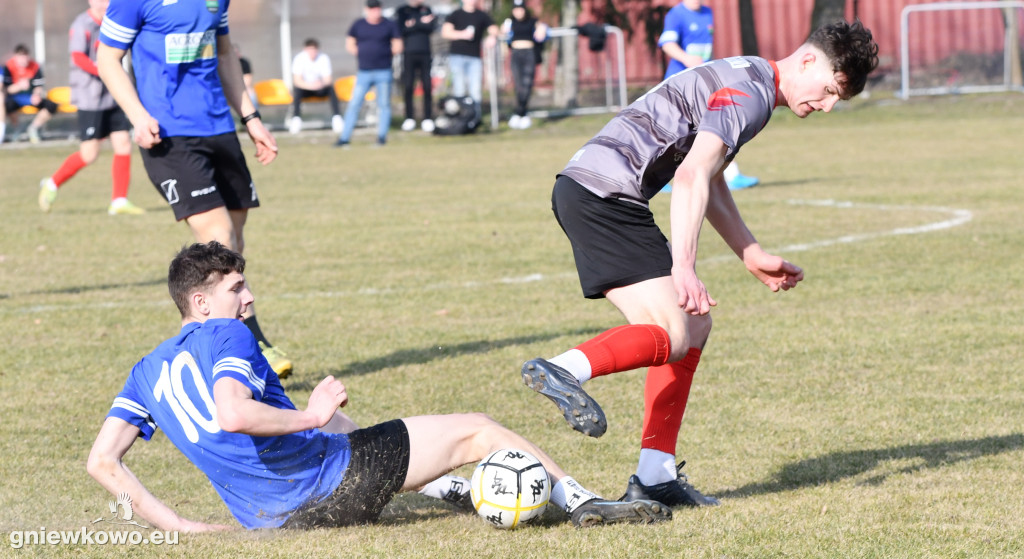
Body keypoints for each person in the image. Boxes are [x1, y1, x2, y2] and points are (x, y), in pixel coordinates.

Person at [521, 20, 878, 508]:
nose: (828, 105)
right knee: (673, 330)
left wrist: (749, 252)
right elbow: (690, 176)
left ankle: (656, 474)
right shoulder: (751, 93)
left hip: (590, 190)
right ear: (809, 60)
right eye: (831, 91)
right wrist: (683, 267)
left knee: (694, 324)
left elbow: (707, 173)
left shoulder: (751, 76)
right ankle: (565, 370)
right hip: (605, 195)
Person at [86, 241, 673, 530]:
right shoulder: (228, 336)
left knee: (355, 431)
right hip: (327, 491)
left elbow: (102, 462)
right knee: (477, 429)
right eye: (236, 288)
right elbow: (234, 414)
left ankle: (444, 488)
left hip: (271, 521)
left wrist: (181, 527)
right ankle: (585, 503)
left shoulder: (146, 370)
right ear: (201, 301)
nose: (249, 298)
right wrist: (311, 415)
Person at [96, 0, 294, 378]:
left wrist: (251, 119)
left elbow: (224, 54)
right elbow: (107, 60)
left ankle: (202, 353)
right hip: (168, 136)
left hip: (219, 129)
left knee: (234, 240)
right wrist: (138, 116)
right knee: (220, 240)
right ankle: (252, 346)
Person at [37, 0, 144, 216]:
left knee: (123, 143)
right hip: (90, 98)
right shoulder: (82, 24)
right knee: (89, 154)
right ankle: (52, 183)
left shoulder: (115, 21)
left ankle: (119, 201)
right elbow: (78, 57)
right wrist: (105, 70)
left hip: (114, 94)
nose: (106, 3)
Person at [659, 0, 758, 191]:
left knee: (715, 125)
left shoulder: (707, 13)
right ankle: (656, 178)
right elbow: (667, 44)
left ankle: (730, 174)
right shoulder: (676, 14)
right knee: (673, 133)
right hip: (680, 82)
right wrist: (687, 59)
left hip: (702, 82)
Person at [335, 0, 403, 148]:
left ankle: (381, 138)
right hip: (364, 71)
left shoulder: (389, 24)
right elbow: (350, 43)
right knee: (354, 104)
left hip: (383, 71)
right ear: (366, 10)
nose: (375, 12)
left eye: (377, 8)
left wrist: (384, 54)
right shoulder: (358, 24)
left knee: (384, 104)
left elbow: (398, 45)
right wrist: (362, 53)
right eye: (372, 9)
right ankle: (344, 138)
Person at [440, 0, 499, 116]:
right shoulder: (455, 14)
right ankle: (461, 117)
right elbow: (445, 32)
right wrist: (462, 34)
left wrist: (492, 37)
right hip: (457, 56)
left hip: (475, 58)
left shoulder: (481, 15)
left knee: (475, 90)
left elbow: (494, 29)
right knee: (459, 88)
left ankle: (475, 117)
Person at [501, 0, 547, 130]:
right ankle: (521, 114)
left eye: (520, 9)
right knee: (519, 85)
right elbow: (503, 36)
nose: (518, 12)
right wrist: (503, 31)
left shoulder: (532, 21)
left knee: (527, 85)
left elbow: (542, 31)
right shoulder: (510, 23)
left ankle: (520, 113)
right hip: (516, 55)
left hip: (529, 54)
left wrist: (541, 30)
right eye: (515, 9)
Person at [1, 44, 58, 144]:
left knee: (51, 106)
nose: (23, 59)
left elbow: (38, 86)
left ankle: (33, 128)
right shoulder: (9, 67)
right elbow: (6, 89)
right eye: (21, 56)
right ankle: (18, 129)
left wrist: (36, 94)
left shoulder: (34, 66)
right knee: (7, 106)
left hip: (31, 97)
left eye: (25, 56)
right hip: (16, 98)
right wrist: (19, 86)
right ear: (15, 57)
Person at [395, 0, 437, 133]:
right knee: (408, 86)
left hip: (425, 52)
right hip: (409, 53)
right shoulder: (403, 11)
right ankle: (409, 118)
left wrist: (414, 24)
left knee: (427, 86)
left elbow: (430, 28)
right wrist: (421, 23)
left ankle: (428, 118)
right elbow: (402, 29)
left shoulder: (426, 9)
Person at [289, 38, 343, 135]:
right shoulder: (299, 58)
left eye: (314, 49)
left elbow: (328, 80)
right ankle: (296, 119)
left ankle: (337, 118)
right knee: (297, 91)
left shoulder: (323, 58)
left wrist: (320, 84)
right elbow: (297, 81)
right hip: (305, 89)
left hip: (319, 88)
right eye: (310, 49)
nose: (312, 52)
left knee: (331, 89)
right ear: (305, 49)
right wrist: (310, 85)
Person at [234, 43, 258, 108]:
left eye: (236, 52)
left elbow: (248, 81)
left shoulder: (244, 62)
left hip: (243, 87)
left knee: (250, 92)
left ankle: (254, 114)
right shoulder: (224, 64)